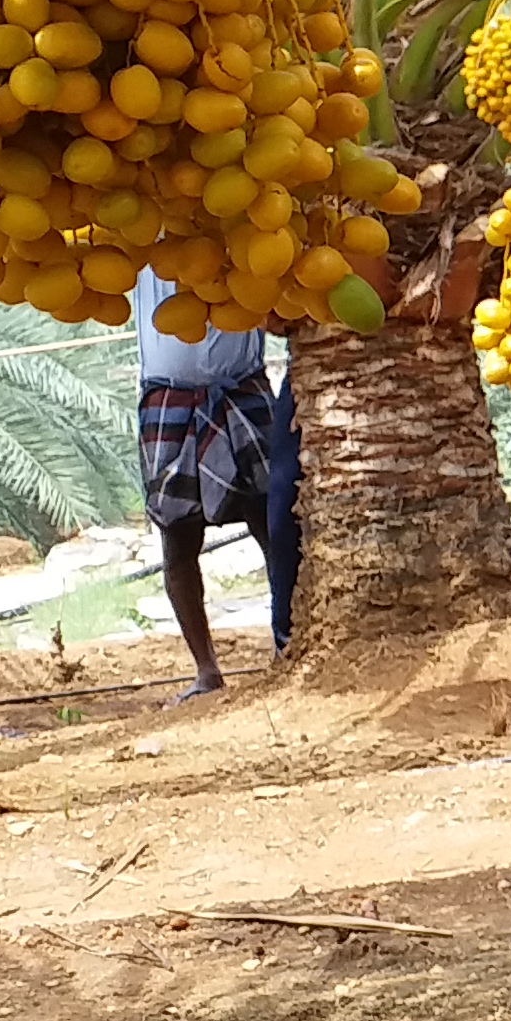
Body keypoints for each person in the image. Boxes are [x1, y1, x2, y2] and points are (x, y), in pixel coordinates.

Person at [133, 264, 302, 700]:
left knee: (274, 521)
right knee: (177, 535)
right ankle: (206, 671)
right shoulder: (142, 242)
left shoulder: (233, 226)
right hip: (169, 391)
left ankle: (292, 645)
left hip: (241, 386)